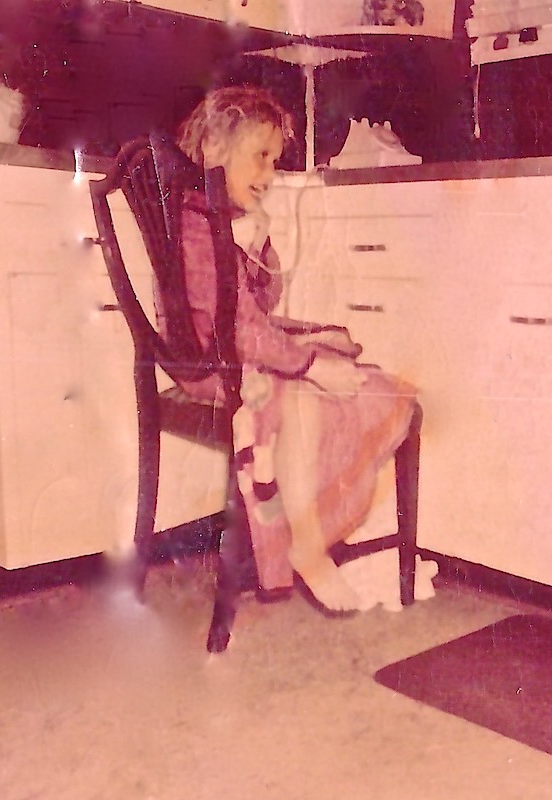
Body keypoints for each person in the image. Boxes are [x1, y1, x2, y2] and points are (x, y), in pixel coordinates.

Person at [169, 85, 418, 612]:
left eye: (275, 160)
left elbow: (260, 303)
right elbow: (237, 329)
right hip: (212, 365)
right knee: (307, 395)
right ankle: (306, 546)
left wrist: (257, 244)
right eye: (260, 156)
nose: (269, 173)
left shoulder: (219, 221)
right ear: (213, 149)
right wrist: (308, 364)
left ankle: (309, 537)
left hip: (229, 355)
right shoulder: (197, 225)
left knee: (345, 375)